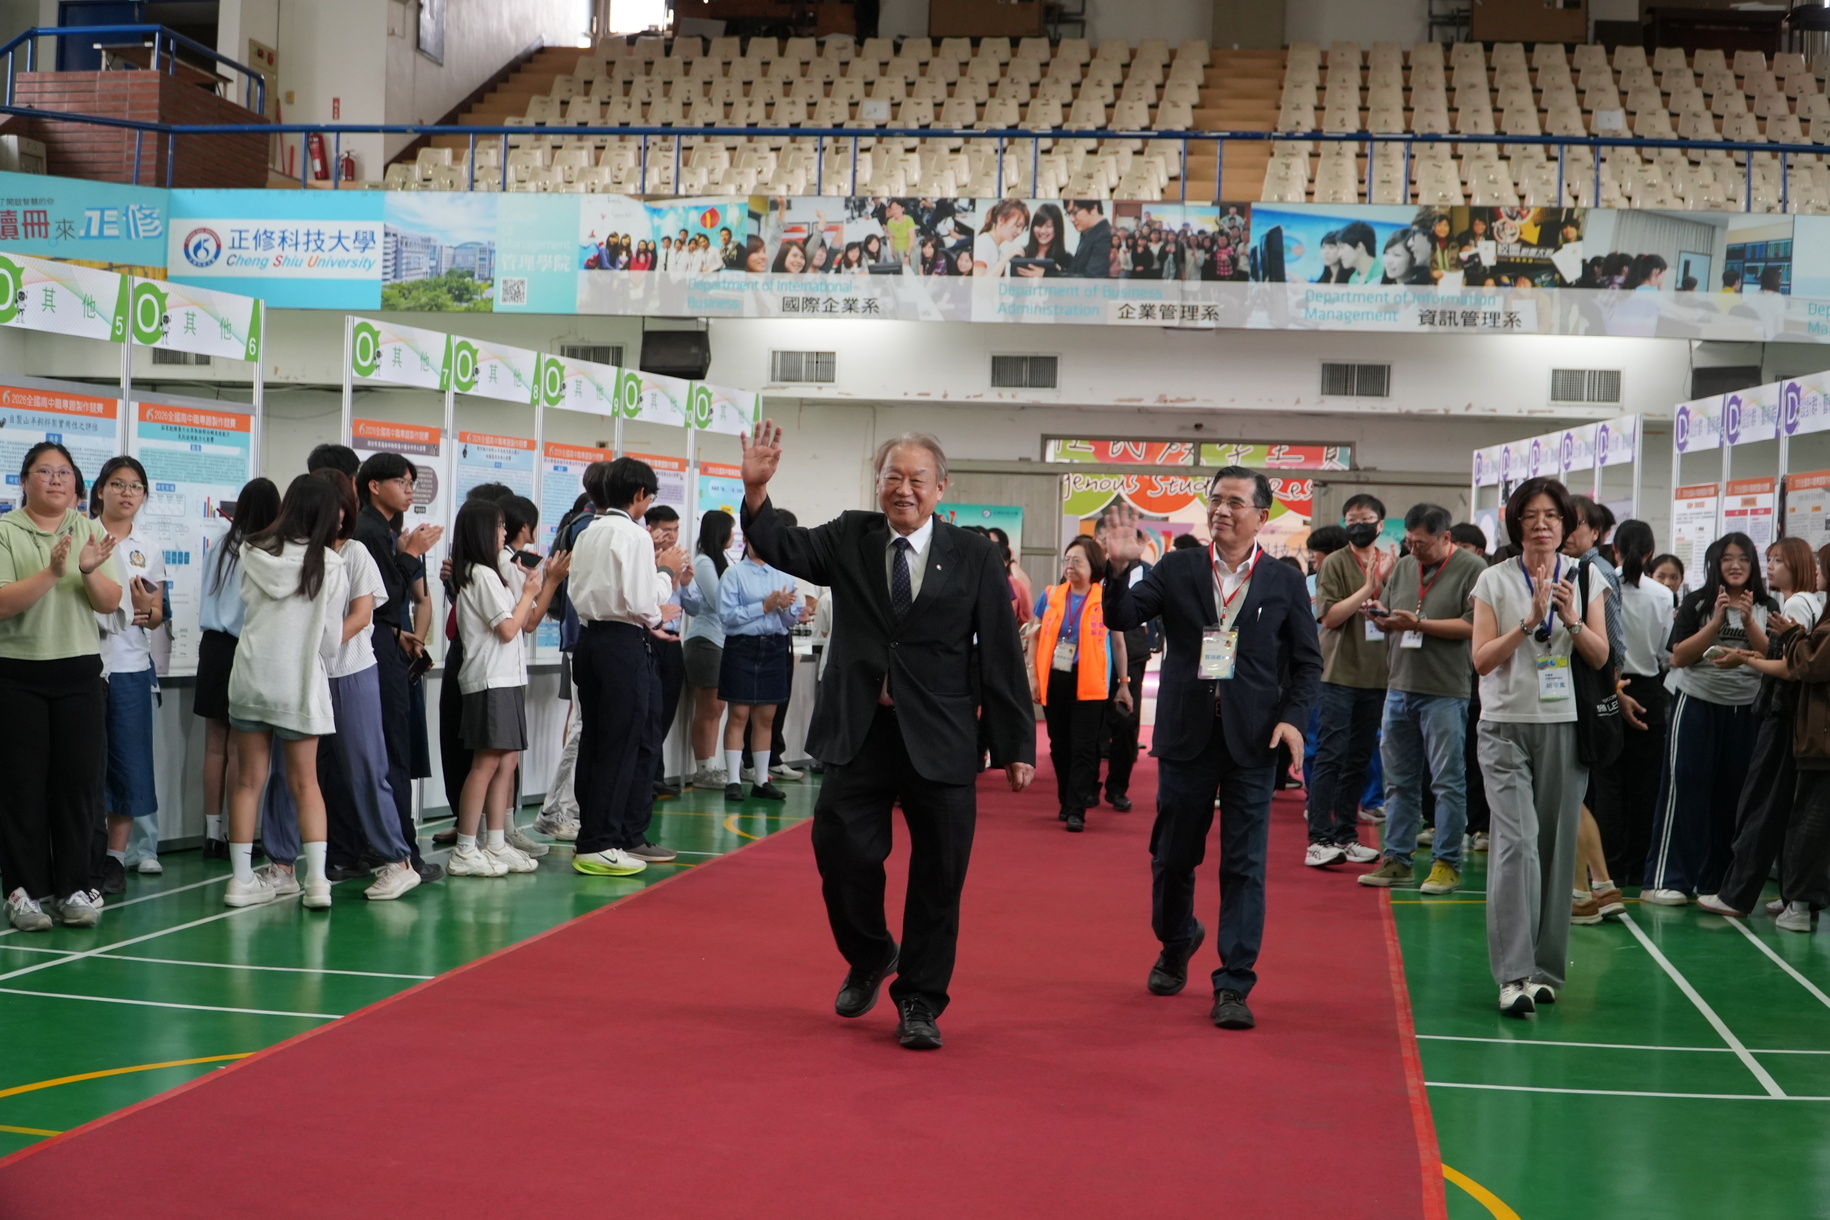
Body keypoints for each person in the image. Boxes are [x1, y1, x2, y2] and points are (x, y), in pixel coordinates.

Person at [737, 423, 1034, 1051]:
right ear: (877, 486)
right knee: (840, 852)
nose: (904, 490)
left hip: (944, 736)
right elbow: (779, 544)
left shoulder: (975, 554)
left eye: (916, 480)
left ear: (940, 488)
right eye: (892, 478)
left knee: (939, 877)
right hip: (861, 731)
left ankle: (921, 1001)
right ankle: (871, 953)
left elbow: (1001, 652)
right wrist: (757, 491)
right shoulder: (850, 535)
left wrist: (1014, 746)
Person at [1100, 474, 1320, 1031]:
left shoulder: (1284, 582)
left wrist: (1293, 719)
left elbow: (1307, 664)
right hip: (1185, 737)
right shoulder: (1177, 569)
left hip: (1253, 742)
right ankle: (1177, 941)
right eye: (1215, 501)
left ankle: (1233, 984)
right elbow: (1121, 617)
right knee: (1173, 856)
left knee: (1244, 866)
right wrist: (1121, 568)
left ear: (1262, 515)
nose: (1221, 510)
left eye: (1235, 503)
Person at [1470, 477, 1610, 1015]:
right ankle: (1513, 974)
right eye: (1531, 515)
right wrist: (1528, 623)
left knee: (1555, 847)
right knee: (1517, 844)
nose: (1543, 524)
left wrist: (1570, 619)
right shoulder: (1492, 581)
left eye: (1553, 515)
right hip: (1504, 724)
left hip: (1565, 725)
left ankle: (1546, 971)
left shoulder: (1587, 577)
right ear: (1516, 523)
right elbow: (1481, 660)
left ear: (1567, 524)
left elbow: (1597, 656)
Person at [260, 470, 425, 902]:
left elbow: (362, 616)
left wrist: (315, 643)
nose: (335, 514)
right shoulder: (288, 555)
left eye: (340, 506)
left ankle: (397, 860)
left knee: (366, 767)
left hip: (349, 672)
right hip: (298, 674)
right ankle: (280, 865)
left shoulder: (354, 554)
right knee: (286, 770)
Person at [0, 444, 121, 932]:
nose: (55, 480)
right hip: (17, 675)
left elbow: (110, 602)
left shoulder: (90, 529)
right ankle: (24, 892)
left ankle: (74, 888)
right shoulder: (6, 530)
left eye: (64, 473)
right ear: (24, 480)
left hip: (78, 676)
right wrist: (52, 573)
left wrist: (88, 571)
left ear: (76, 483)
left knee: (77, 787)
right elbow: (3, 604)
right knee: (21, 789)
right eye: (44, 472)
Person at [223, 474, 348, 910]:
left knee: (247, 782)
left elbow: (244, 607)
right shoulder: (330, 564)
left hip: (251, 679)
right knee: (305, 783)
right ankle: (317, 884)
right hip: (298, 685)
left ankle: (240, 882)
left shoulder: (252, 551)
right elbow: (331, 643)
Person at [1356, 504, 1486, 894]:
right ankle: (1397, 859)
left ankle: (1447, 862)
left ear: (1446, 538)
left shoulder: (1473, 570)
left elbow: (1473, 625)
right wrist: (1380, 616)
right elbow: (1398, 611)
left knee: (1447, 782)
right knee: (1399, 781)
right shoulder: (1403, 565)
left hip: (1445, 691)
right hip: (1399, 687)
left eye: (1423, 544)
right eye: (1409, 543)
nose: (1415, 551)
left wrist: (1419, 624)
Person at [569, 457, 685, 877]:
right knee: (621, 745)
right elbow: (641, 602)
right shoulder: (633, 534)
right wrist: (666, 572)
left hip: (591, 641)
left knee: (596, 742)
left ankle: (594, 836)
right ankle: (602, 842)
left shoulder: (590, 529)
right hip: (622, 644)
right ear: (640, 496)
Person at [1644, 532, 1773, 905]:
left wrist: (1749, 623)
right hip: (1697, 703)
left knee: (1733, 797)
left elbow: (1773, 657)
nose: (1736, 566)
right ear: (1715, 564)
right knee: (1685, 787)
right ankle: (1668, 879)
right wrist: (1716, 621)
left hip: (1746, 709)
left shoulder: (1767, 605)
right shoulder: (1698, 602)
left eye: (1744, 559)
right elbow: (1679, 656)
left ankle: (1715, 882)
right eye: (1728, 558)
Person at [1701, 537, 1825, 919]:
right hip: (1794, 717)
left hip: (1784, 715)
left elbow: (1793, 667)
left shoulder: (1796, 603)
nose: (1769, 566)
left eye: (1778, 560)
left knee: (1760, 806)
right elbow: (1782, 654)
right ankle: (1792, 896)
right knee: (1784, 809)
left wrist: (1745, 661)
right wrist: (1753, 652)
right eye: (1768, 559)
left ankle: (1737, 895)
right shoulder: (1805, 602)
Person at [353, 453, 445, 884]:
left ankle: (398, 846)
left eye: (412, 482)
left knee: (398, 750)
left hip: (389, 645)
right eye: (402, 481)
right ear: (373, 485)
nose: (409, 489)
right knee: (390, 752)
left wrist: (405, 636)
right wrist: (409, 555)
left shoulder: (389, 531)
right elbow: (383, 601)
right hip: (371, 652)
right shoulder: (369, 532)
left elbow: (408, 604)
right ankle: (399, 850)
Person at [446, 498, 548, 878]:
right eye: (500, 526)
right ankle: (466, 848)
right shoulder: (481, 575)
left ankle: (496, 843)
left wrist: (528, 586)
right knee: (486, 763)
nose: (505, 533)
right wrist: (528, 593)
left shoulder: (493, 573)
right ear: (481, 532)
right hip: (489, 679)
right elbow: (508, 629)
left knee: (506, 761)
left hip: (505, 677)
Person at [88, 457, 167, 891]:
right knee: (81, 766)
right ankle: (79, 851)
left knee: (128, 765)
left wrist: (146, 611)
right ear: (100, 490)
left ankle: (116, 858)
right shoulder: (80, 533)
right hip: (84, 665)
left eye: (136, 486)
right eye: (117, 484)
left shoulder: (148, 547)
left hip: (132, 669)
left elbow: (156, 615)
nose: (126, 493)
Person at [196, 478, 280, 861]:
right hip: (244, 648)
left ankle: (211, 832)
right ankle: (236, 832)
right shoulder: (265, 550)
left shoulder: (220, 545)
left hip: (212, 647)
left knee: (214, 745)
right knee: (237, 745)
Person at [1305, 494, 1391, 868]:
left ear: (1381, 523)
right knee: (1331, 754)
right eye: (1352, 519)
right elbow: (1330, 617)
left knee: (1359, 757)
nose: (1360, 524)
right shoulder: (1336, 563)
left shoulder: (1395, 562)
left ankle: (1347, 835)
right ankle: (1319, 837)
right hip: (1337, 673)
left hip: (1377, 675)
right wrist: (1367, 589)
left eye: (1367, 518)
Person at [1029, 535, 1131, 832]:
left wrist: (1123, 684)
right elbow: (1034, 636)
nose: (1070, 566)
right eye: (1067, 560)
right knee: (1059, 745)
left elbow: (1119, 643)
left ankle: (1076, 808)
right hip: (1055, 678)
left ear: (1094, 565)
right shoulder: (1051, 595)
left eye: (1077, 561)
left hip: (1090, 682)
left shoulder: (1105, 598)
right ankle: (1065, 798)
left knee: (1084, 747)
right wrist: (1033, 676)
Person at [1604, 520, 1674, 885]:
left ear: (1614, 549)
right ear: (1650, 552)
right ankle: (1638, 868)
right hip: (1647, 689)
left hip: (1608, 685)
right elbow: (1665, 652)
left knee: (1608, 783)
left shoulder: (1600, 585)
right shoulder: (1663, 595)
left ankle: (1608, 867)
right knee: (1645, 786)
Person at [718, 533, 804, 802]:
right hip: (742, 646)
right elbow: (728, 616)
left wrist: (788, 609)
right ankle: (733, 779)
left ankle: (761, 779)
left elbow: (792, 618)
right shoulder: (734, 574)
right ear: (748, 542)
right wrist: (764, 606)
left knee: (766, 717)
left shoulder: (784, 574)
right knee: (739, 714)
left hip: (775, 646)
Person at [1096, 511, 1153, 811]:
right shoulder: (1085, 567)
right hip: (1091, 655)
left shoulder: (1147, 571)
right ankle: (1087, 785)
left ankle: (1117, 787)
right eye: (1107, 536)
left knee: (1126, 722)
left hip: (1130, 653)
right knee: (1092, 722)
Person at [646, 505, 701, 806]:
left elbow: (694, 609)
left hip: (674, 642)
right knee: (650, 711)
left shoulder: (679, 561)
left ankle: (656, 775)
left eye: (676, 530)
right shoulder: (644, 558)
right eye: (666, 530)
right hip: (650, 638)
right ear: (652, 529)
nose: (671, 536)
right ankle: (648, 778)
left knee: (666, 711)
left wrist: (686, 584)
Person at [685, 509, 735, 789]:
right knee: (709, 708)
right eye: (731, 529)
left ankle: (711, 767)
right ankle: (704, 769)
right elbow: (720, 602)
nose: (734, 535)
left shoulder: (721, 560)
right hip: (705, 642)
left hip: (719, 642)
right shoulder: (705, 562)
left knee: (717, 708)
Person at [973, 199, 1030, 277]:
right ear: (1001, 220)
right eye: (1017, 226)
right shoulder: (983, 242)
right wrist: (1006, 258)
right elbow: (979, 284)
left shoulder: (996, 248)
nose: (1020, 232)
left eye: (1022, 228)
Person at [1015, 203, 1070, 277]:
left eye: (1049, 226)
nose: (1043, 231)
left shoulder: (1066, 260)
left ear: (1057, 228)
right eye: (1039, 225)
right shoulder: (1021, 255)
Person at [1064, 199, 1113, 278]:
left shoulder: (1104, 236)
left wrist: (1048, 275)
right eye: (1068, 214)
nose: (1071, 219)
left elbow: (1092, 278)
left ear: (1093, 209)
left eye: (1074, 212)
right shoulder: (1088, 232)